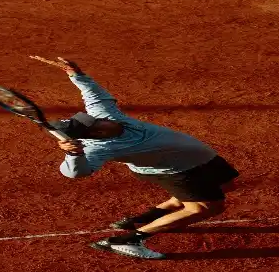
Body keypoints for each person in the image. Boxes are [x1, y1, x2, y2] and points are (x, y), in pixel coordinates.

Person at [28, 56, 239, 260]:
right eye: (95, 123)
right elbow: (75, 173)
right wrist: (73, 154)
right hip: (176, 171)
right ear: (97, 133)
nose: (99, 118)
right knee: (206, 207)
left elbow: (93, 94)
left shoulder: (105, 115)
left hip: (202, 158)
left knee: (226, 185)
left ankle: (141, 219)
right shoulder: (100, 147)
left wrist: (75, 74)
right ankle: (130, 240)